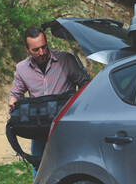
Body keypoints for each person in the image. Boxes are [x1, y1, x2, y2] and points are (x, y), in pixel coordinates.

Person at [8, 27, 89, 179]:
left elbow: (85, 84)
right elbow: (15, 94)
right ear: (27, 49)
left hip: (65, 126)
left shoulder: (65, 59)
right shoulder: (22, 69)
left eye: (44, 46)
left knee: (70, 167)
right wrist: (12, 102)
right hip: (39, 129)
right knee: (40, 169)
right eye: (36, 49)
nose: (42, 52)